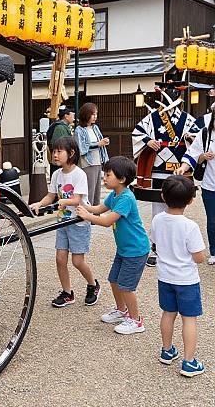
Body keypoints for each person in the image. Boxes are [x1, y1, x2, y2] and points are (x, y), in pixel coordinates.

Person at [77, 156, 150, 335]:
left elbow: (107, 220)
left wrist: (87, 216)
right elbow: (100, 209)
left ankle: (136, 320)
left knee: (126, 286)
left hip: (136, 250)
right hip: (125, 249)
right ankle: (121, 311)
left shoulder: (126, 197)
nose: (104, 178)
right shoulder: (115, 194)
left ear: (122, 179)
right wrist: (81, 204)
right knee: (114, 280)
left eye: (108, 175)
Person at [132, 82, 200, 267]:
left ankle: (175, 245)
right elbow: (137, 133)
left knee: (177, 208)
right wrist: (148, 141)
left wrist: (189, 139)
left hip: (178, 169)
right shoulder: (152, 118)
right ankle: (156, 248)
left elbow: (198, 139)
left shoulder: (187, 119)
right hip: (157, 169)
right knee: (157, 210)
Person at [30, 136, 100, 308]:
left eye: (59, 151)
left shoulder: (79, 174)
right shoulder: (56, 174)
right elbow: (51, 195)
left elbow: (77, 199)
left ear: (71, 153)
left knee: (77, 261)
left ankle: (93, 285)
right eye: (53, 151)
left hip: (78, 222)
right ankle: (67, 292)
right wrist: (39, 203)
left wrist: (63, 202)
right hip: (62, 222)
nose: (55, 154)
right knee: (60, 259)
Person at [150, 175, 205, 377]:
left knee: (168, 313)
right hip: (186, 279)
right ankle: (189, 362)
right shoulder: (190, 226)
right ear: (191, 200)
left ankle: (167, 350)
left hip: (165, 276)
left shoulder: (157, 219)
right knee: (189, 319)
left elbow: (155, 243)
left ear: (163, 197)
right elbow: (198, 257)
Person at [176, 106, 215, 264]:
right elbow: (192, 154)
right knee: (212, 220)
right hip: (209, 185)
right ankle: (214, 251)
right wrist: (184, 167)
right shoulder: (205, 134)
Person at [75, 103, 109, 206]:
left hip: (98, 161)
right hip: (87, 163)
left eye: (96, 114)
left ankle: (95, 214)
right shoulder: (79, 130)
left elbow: (99, 142)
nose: (95, 117)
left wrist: (103, 142)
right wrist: (98, 144)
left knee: (97, 190)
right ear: (86, 115)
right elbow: (81, 148)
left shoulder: (95, 128)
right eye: (93, 114)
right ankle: (87, 214)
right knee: (89, 189)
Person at [46, 105, 74, 176]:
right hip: (59, 159)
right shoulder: (60, 128)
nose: (73, 118)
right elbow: (59, 145)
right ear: (66, 116)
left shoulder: (61, 126)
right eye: (72, 115)